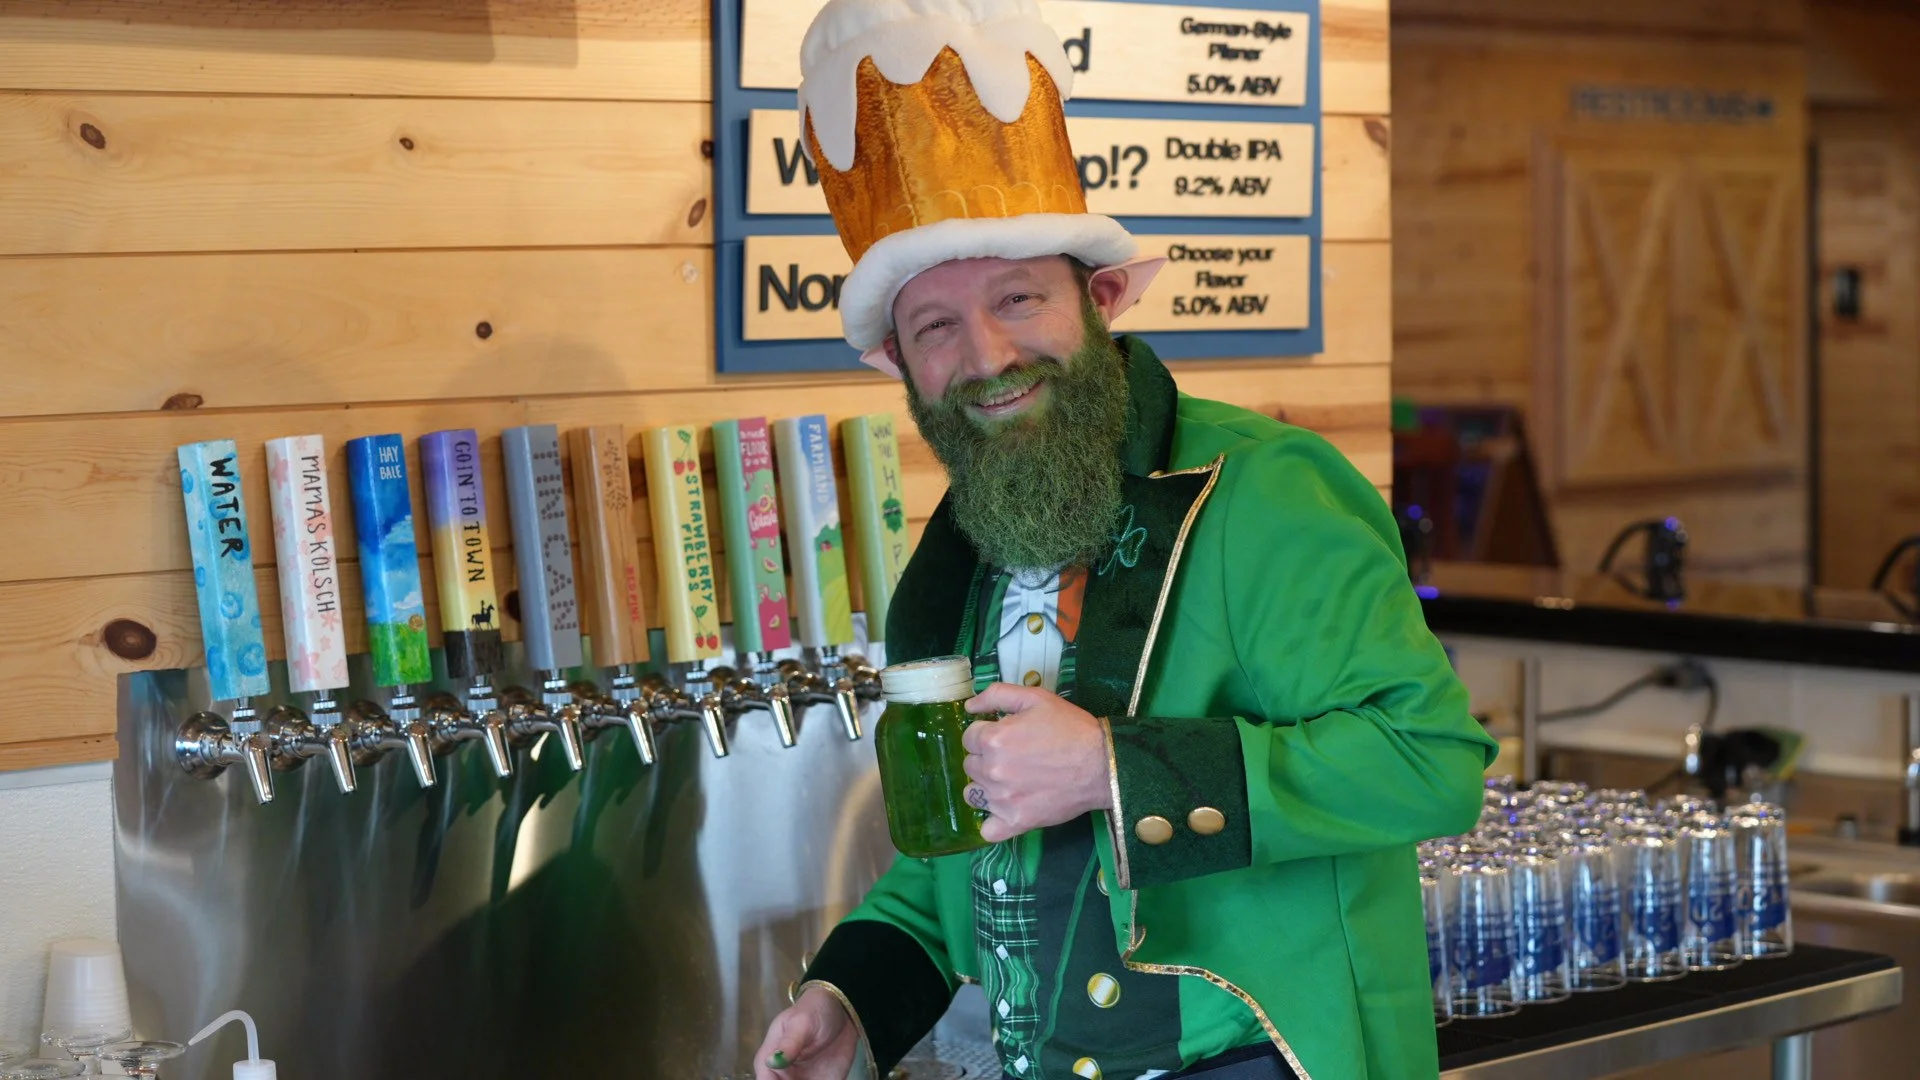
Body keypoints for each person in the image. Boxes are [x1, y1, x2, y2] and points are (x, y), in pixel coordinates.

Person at [755, 2, 1498, 1078]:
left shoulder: (1268, 492)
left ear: (1102, 298)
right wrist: (854, 997)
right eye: (937, 327)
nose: (988, 355)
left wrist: (1114, 770)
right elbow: (972, 847)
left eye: (1019, 298)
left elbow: (1430, 763)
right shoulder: (964, 547)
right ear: (899, 367)